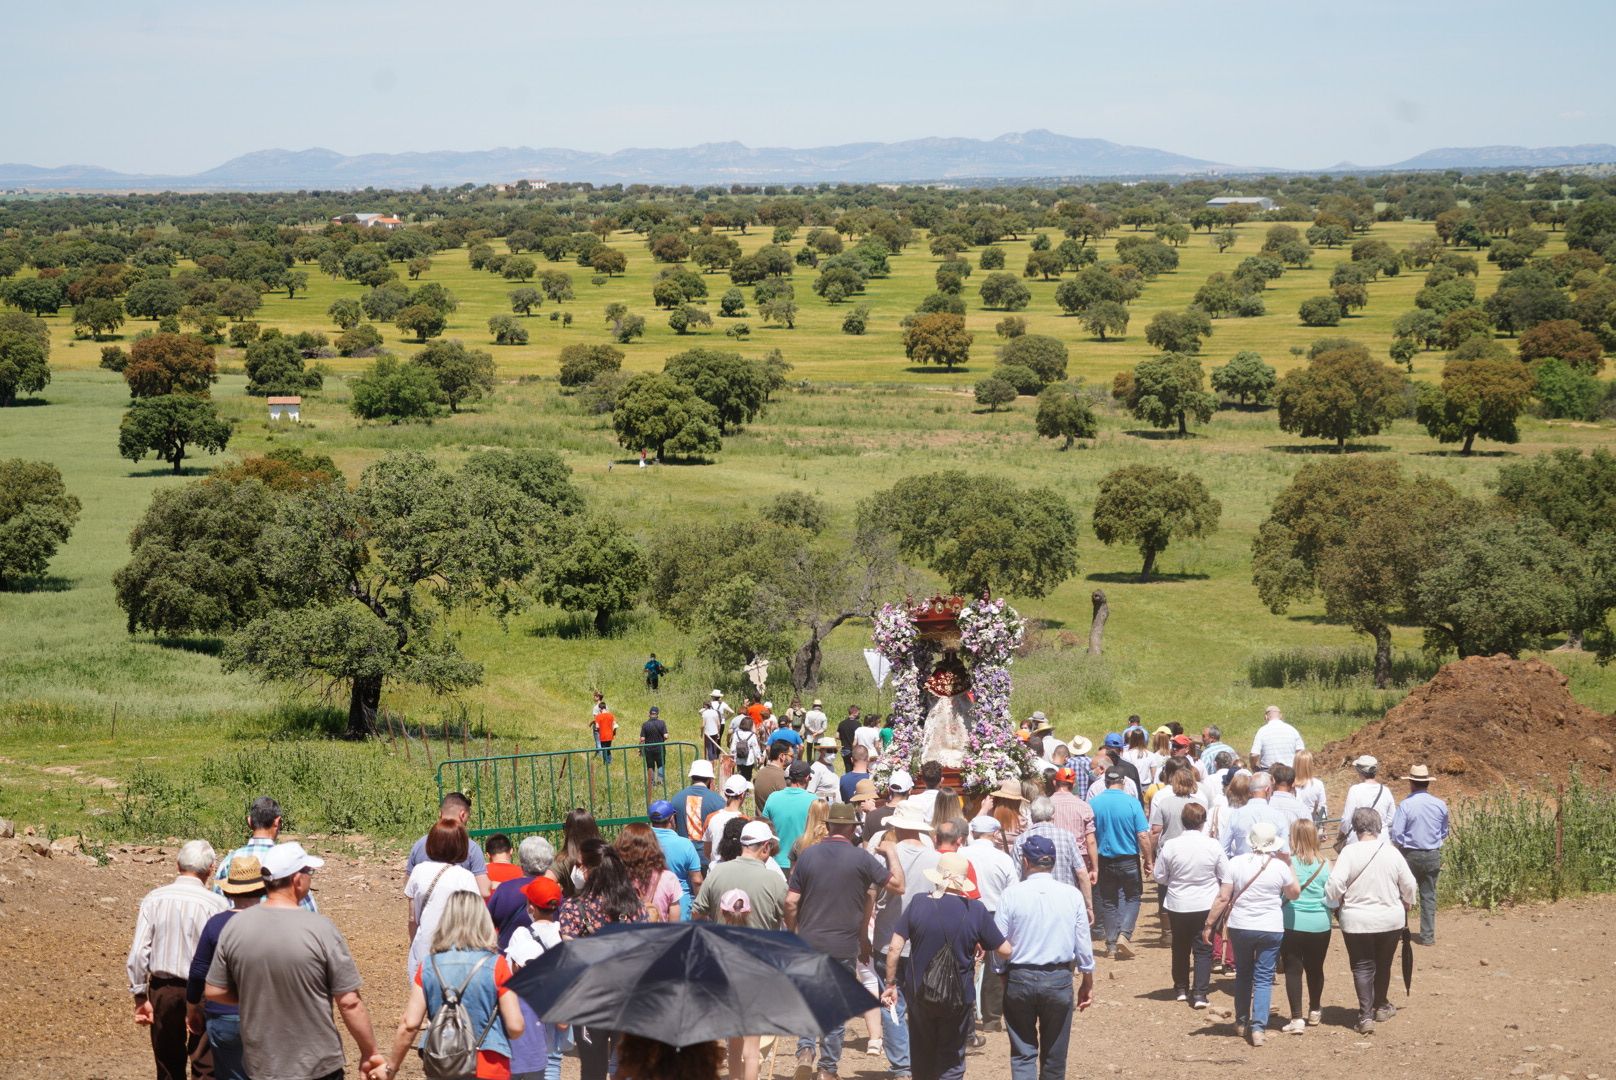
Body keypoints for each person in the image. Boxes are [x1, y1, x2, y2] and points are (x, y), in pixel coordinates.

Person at [206, 842, 385, 1080]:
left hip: (262, 1065)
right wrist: (370, 1052)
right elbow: (349, 1002)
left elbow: (214, 990)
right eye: (309, 872)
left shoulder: (235, 928)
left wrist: (258, 997)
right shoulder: (321, 928)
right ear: (297, 880)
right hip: (316, 1064)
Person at [788, 802, 905, 1080]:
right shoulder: (862, 858)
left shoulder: (807, 857)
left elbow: (791, 901)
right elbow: (898, 885)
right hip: (843, 945)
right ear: (852, 828)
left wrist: (793, 932)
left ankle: (805, 1050)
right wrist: (891, 853)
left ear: (828, 826)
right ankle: (828, 1069)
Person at [882, 852, 1009, 1080]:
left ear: (937, 878)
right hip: (959, 996)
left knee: (921, 1051)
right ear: (963, 882)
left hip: (920, 993)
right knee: (952, 1056)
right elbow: (1004, 950)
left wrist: (891, 983)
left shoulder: (919, 902)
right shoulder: (976, 910)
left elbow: (894, 949)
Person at [373, 891, 525, 1080]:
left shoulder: (429, 965)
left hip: (442, 1063)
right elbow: (516, 1026)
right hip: (488, 1065)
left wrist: (391, 1069)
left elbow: (410, 1023)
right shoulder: (497, 965)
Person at [995, 836, 1096, 1080]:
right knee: (1055, 1053)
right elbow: (1083, 944)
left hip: (1020, 977)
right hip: (1058, 978)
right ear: (1052, 861)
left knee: (1022, 1051)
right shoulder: (1071, 895)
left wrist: (1000, 974)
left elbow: (998, 942)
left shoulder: (1010, 894)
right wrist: (1087, 980)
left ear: (1025, 861)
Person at [129, 839, 228, 1080]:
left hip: (163, 990)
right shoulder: (217, 904)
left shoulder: (154, 899)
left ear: (177, 865)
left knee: (167, 1062)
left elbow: (138, 952)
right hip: (205, 991)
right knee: (205, 1061)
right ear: (211, 869)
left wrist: (140, 994)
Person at [557, 841, 649, 1080]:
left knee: (592, 1070)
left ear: (590, 870)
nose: (576, 870)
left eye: (580, 865)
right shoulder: (633, 905)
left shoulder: (573, 908)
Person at [1203, 821, 1299, 1046]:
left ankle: (1241, 1021)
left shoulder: (1236, 863)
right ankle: (1258, 1028)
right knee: (1264, 978)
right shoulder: (1279, 866)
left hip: (1241, 925)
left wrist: (1209, 923)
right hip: (1271, 927)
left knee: (1243, 974)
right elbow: (1294, 893)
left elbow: (1223, 897)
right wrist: (1289, 863)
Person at [1326, 807, 1418, 1035]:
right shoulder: (1392, 852)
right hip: (1390, 918)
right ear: (1378, 827)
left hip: (1356, 919)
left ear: (1356, 828)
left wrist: (1334, 903)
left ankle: (1365, 1014)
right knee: (1383, 963)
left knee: (1362, 966)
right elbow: (1409, 884)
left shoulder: (1348, 853)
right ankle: (1381, 1005)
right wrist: (1408, 901)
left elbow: (1334, 884)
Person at [868, 802, 938, 1080]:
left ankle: (902, 1066)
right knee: (921, 1004)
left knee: (891, 1002)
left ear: (896, 825)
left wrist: (864, 932)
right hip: (924, 942)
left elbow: (870, 896)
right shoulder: (934, 858)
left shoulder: (885, 855)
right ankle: (920, 1060)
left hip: (887, 938)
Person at [187, 855, 265, 1080]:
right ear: (261, 890)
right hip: (264, 1015)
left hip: (223, 1017)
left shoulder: (215, 924)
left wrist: (192, 1007)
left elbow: (199, 971)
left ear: (229, 892)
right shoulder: (273, 923)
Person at [1152, 802, 1224, 1009]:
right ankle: (1200, 993)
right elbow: (1224, 874)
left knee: (1180, 946)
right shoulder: (1213, 845)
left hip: (1178, 903)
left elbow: (1160, 876)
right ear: (1203, 822)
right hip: (1205, 903)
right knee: (1203, 947)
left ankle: (1181, 988)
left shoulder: (1171, 846)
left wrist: (1174, 881)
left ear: (1182, 822)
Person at [405, 820, 484, 981]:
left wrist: (415, 944)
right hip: (455, 952)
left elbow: (413, 918)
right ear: (461, 846)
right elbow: (475, 920)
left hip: (424, 948)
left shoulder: (418, 871)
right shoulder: (465, 877)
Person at [504, 877, 565, 1080]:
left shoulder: (521, 935)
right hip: (557, 1006)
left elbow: (509, 973)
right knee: (553, 1061)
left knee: (520, 1064)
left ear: (531, 907)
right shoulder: (563, 934)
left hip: (529, 1011)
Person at [215, 795, 318, 911]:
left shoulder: (229, 861)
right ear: (277, 821)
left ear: (249, 821)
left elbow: (217, 904)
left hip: (237, 926)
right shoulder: (287, 860)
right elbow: (308, 909)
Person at [1090, 768, 1152, 959]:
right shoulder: (1132, 803)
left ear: (1106, 781)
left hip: (1104, 858)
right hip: (1128, 858)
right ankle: (1124, 934)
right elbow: (1142, 835)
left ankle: (1110, 945)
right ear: (1123, 782)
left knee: (1109, 901)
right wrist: (1148, 859)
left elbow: (1090, 834)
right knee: (1133, 897)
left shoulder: (1093, 803)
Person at [964, 815, 1018, 1032]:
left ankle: (967, 1011)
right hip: (995, 912)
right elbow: (1012, 889)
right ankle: (992, 1017)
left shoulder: (961, 854)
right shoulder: (1002, 858)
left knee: (964, 961)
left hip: (965, 910)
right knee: (995, 965)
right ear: (994, 833)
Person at [1279, 817, 1333, 1034]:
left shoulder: (1287, 863)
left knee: (1293, 970)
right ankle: (1315, 1009)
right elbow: (1332, 894)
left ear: (1293, 837)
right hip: (1320, 923)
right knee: (1315, 968)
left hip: (1291, 922)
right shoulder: (1326, 863)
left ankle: (1296, 1017)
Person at [1390, 764, 1449, 945]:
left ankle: (1400, 930)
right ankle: (1427, 936)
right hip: (1432, 854)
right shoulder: (1440, 805)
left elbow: (1397, 834)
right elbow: (1444, 831)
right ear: (1427, 784)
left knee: (1401, 892)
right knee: (1428, 894)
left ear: (1411, 783)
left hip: (1409, 854)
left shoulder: (1406, 805)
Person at [693, 820, 789, 929]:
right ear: (766, 847)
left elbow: (697, 913)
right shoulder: (775, 881)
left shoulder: (716, 872)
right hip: (760, 945)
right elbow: (791, 914)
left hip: (721, 944)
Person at [1013, 796, 1091, 912]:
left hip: (1032, 904)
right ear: (1053, 815)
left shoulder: (1021, 839)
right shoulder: (1067, 837)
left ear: (1032, 816)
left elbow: (1015, 876)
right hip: (1065, 902)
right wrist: (1088, 906)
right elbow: (1082, 873)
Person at [406, 793, 491, 898]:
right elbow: (483, 891)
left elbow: (408, 887)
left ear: (440, 813)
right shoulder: (471, 848)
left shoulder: (419, 845)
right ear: (463, 815)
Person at [487, 835, 556, 949]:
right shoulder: (554, 890)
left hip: (510, 958)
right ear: (549, 862)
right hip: (547, 958)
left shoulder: (504, 889)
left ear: (521, 860)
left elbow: (487, 924)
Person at [616, 821, 684, 922]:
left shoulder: (616, 878)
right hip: (659, 935)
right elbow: (674, 921)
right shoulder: (668, 878)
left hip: (628, 936)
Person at [648, 801, 702, 919]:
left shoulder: (643, 842)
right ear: (672, 818)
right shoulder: (685, 844)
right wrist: (699, 908)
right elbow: (697, 880)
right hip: (680, 905)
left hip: (650, 906)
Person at [1221, 771, 1293, 858]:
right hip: (1269, 867)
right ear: (1267, 790)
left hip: (1242, 867)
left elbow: (1223, 848)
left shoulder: (1237, 814)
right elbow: (1285, 851)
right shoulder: (1278, 816)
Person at [763, 761, 818, 868]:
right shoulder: (814, 801)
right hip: (802, 863)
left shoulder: (773, 797)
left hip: (774, 862)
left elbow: (763, 826)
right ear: (806, 778)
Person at [1338, 755, 1398, 850]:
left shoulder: (1355, 790)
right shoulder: (1386, 791)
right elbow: (1391, 819)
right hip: (1382, 840)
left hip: (1358, 840)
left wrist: (1343, 834)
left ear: (1359, 770)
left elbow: (1346, 819)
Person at [670, 759, 726, 860]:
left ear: (692, 777)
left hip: (683, 856)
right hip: (708, 857)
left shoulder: (676, 799)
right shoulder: (718, 801)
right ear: (710, 779)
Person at [552, 808, 601, 898]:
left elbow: (545, 882)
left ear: (568, 831)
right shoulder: (605, 854)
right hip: (605, 908)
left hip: (575, 909)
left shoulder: (564, 860)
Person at [704, 774, 751, 862]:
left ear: (726, 794)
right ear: (742, 795)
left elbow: (707, 852)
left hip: (715, 870)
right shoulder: (746, 821)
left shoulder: (710, 818)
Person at [1249, 705, 1305, 770]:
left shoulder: (1262, 731)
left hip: (1269, 771)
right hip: (1289, 771)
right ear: (1281, 716)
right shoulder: (1292, 730)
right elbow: (1301, 751)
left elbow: (1254, 755)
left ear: (1266, 717)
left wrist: (1253, 766)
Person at [753, 740, 793, 814]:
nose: (793, 759)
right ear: (782, 756)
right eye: (791, 756)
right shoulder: (782, 777)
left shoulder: (759, 773)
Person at [790, 798, 833, 864]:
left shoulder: (799, 843)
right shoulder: (834, 842)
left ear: (809, 815)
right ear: (828, 814)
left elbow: (792, 871)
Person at [1293, 749, 1327, 826]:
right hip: (1310, 825)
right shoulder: (1318, 784)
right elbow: (1322, 808)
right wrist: (1323, 826)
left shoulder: (1290, 784)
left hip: (1293, 825)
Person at [639, 705, 669, 789]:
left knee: (650, 766)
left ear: (649, 714)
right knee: (660, 764)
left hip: (648, 749)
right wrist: (661, 740)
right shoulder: (662, 723)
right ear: (657, 714)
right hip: (660, 748)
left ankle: (651, 783)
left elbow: (642, 739)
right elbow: (666, 736)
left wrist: (640, 749)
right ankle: (660, 781)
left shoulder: (645, 725)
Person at [807, 736, 842, 801]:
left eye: (835, 751)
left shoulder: (830, 766)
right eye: (829, 751)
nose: (833, 754)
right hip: (823, 809)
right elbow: (810, 792)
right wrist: (828, 796)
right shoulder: (816, 768)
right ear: (821, 751)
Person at [730, 716, 762, 781]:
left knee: (740, 774)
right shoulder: (752, 735)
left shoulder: (736, 734)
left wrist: (732, 756)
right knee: (748, 775)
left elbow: (733, 747)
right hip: (749, 759)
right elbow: (755, 748)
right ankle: (746, 788)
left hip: (738, 758)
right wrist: (759, 757)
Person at [837, 706, 863, 772]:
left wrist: (844, 738)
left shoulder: (842, 723)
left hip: (844, 749)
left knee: (847, 769)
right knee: (855, 769)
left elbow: (837, 736)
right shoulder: (858, 724)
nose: (859, 714)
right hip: (853, 750)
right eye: (858, 713)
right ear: (854, 712)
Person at [592, 699, 616, 765]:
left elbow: (597, 727)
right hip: (610, 735)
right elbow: (615, 725)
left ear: (600, 709)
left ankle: (606, 763)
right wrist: (614, 732)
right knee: (608, 749)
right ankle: (609, 762)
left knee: (604, 749)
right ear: (605, 707)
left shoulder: (598, 717)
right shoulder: (611, 715)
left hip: (603, 735)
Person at [701, 692, 724, 761]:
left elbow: (703, 725)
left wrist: (701, 733)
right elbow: (718, 724)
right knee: (714, 747)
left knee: (709, 748)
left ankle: (711, 761)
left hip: (708, 733)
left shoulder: (705, 713)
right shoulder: (715, 712)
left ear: (705, 706)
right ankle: (715, 759)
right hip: (715, 732)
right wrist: (718, 733)